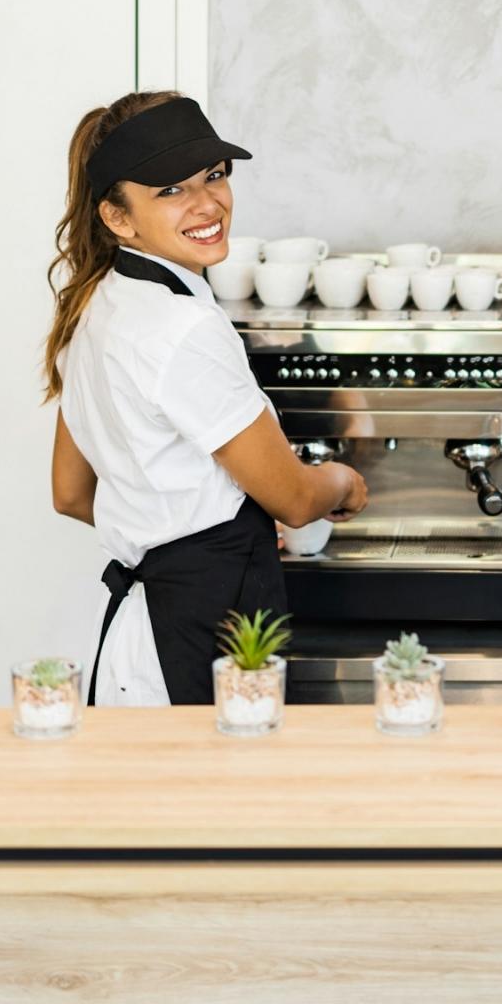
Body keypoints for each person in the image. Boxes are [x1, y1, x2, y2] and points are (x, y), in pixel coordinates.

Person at [44, 89, 366, 704]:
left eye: (214, 175)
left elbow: (71, 493)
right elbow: (297, 500)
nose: (207, 203)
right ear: (117, 216)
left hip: (138, 638)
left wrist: (196, 526)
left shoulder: (94, 306)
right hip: (200, 637)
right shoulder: (183, 328)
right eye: (170, 189)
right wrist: (343, 483)